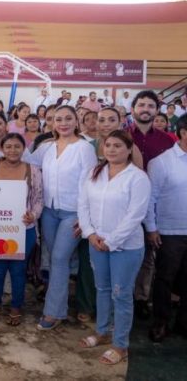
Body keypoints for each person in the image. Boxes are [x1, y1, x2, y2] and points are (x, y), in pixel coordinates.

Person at [78, 130, 150, 365]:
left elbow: (135, 215)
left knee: (121, 294)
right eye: (108, 145)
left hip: (125, 247)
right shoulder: (95, 173)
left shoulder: (137, 178)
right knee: (102, 289)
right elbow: (83, 205)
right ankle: (103, 331)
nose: (111, 149)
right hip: (96, 243)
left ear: (129, 150)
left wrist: (111, 241)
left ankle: (121, 344)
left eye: (117, 145)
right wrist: (90, 233)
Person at [27, 106, 98, 330]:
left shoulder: (84, 148)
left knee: (58, 259)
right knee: (56, 259)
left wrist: (84, 217)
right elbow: (25, 161)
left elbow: (89, 184)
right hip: (49, 212)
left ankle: (53, 312)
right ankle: (60, 304)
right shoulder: (47, 148)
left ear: (77, 121)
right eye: (59, 119)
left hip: (73, 213)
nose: (63, 123)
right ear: (52, 123)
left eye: (68, 118)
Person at [0, 133, 43, 326]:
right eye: (8, 146)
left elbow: (38, 199)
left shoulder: (32, 170)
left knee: (18, 269)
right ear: (2, 149)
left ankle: (16, 306)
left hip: (24, 228)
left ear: (23, 149)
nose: (13, 150)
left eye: (17, 146)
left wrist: (33, 215)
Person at [129, 90, 175, 320]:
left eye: (150, 106)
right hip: (126, 205)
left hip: (156, 206)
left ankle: (140, 298)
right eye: (141, 105)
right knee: (126, 253)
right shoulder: (123, 137)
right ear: (133, 109)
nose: (145, 109)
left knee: (148, 256)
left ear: (157, 110)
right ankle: (124, 296)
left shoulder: (168, 141)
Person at [145, 115, 187, 343]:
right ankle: (160, 322)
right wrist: (151, 228)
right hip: (170, 231)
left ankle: (183, 322)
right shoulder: (162, 162)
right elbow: (150, 198)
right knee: (165, 278)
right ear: (183, 132)